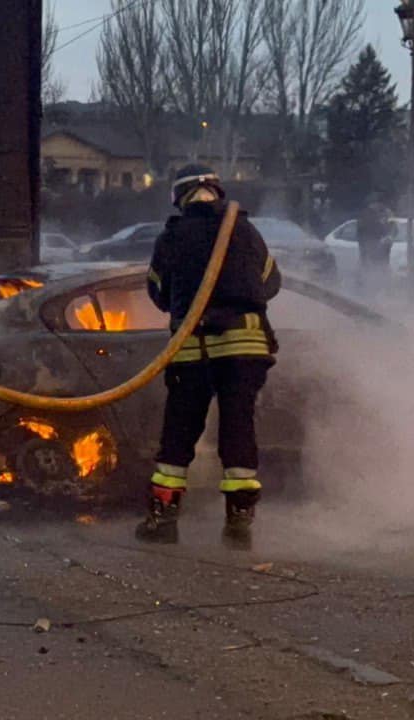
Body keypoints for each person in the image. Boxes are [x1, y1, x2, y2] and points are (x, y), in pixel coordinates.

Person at [136, 165, 282, 545]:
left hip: (192, 346)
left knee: (180, 431)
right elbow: (270, 282)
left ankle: (163, 518)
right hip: (245, 347)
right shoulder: (245, 230)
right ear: (217, 191)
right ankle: (239, 521)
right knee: (238, 426)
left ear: (178, 196)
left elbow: (158, 292)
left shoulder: (172, 237)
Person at [356, 197, 393, 276]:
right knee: (370, 267)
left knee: (377, 267)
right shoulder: (367, 214)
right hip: (370, 247)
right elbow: (364, 231)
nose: (380, 206)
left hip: (378, 248)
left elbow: (392, 227)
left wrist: (389, 236)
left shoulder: (385, 213)